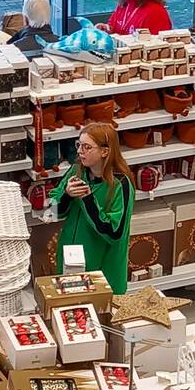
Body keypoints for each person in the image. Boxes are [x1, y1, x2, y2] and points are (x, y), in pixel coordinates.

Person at [49, 123, 135, 295]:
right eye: (78, 144)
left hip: (103, 270)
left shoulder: (121, 184)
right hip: (70, 260)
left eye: (87, 147)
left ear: (105, 151)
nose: (80, 151)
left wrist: (88, 200)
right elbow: (51, 211)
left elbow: (114, 233)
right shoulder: (76, 171)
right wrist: (66, 195)